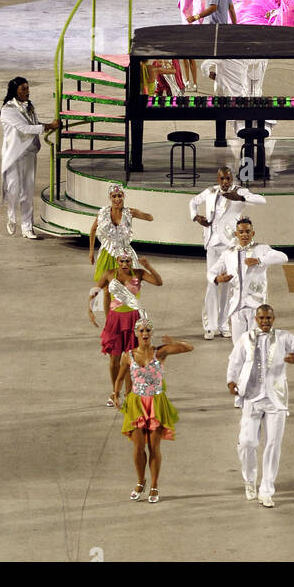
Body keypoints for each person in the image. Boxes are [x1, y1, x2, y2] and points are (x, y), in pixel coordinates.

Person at [226, 304, 294, 508]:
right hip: (251, 397)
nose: (265, 322)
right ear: (256, 319)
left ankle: (266, 490)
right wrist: (231, 382)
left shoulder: (284, 338)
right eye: (261, 318)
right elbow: (234, 362)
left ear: (273, 319)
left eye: (269, 318)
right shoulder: (245, 339)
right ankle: (249, 480)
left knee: (273, 445)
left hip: (276, 399)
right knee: (247, 442)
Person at [114, 320, 193, 504]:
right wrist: (115, 394)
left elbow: (189, 347)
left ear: (152, 333)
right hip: (136, 404)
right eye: (141, 330)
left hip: (156, 404)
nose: (145, 333)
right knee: (138, 447)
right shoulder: (129, 356)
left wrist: (174, 341)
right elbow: (119, 378)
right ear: (136, 333)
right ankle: (141, 481)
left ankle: (155, 485)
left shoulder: (161, 351)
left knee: (154, 447)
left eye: (148, 330)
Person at [190, 166, 267, 339]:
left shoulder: (240, 191)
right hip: (212, 244)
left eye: (228, 179)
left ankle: (224, 324)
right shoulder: (210, 191)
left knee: (228, 286)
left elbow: (262, 200)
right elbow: (193, 202)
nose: (225, 182)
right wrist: (196, 217)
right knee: (212, 283)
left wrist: (240, 197)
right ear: (218, 180)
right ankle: (210, 326)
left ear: (232, 179)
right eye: (222, 179)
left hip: (230, 246)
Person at [93, 253, 163, 408]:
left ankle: (129, 393)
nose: (125, 263)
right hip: (115, 320)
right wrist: (91, 310)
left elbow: (159, 282)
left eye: (128, 261)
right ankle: (115, 392)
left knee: (131, 359)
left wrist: (148, 266)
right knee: (114, 361)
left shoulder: (139, 273)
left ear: (132, 261)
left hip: (133, 320)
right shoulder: (109, 274)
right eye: (122, 261)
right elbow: (96, 291)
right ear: (117, 261)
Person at [210, 217, 288, 345]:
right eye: (241, 232)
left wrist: (259, 260)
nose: (245, 235)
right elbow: (212, 272)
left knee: (255, 345)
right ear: (236, 234)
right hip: (236, 306)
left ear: (253, 233)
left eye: (248, 231)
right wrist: (216, 278)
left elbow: (283, 257)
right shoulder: (228, 253)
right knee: (238, 346)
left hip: (256, 306)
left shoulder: (262, 249)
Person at [0, 76, 60, 240]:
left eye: (27, 88)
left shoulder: (29, 106)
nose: (27, 91)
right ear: (15, 91)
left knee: (27, 191)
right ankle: (11, 217)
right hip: (14, 155)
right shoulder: (7, 110)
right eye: (23, 89)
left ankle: (27, 227)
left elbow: (33, 123)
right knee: (13, 190)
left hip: (29, 154)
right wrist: (49, 126)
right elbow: (25, 128)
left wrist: (45, 125)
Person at [88, 185, 154, 293]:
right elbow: (93, 230)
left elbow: (150, 218)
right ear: (110, 197)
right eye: (114, 196)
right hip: (107, 253)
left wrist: (140, 213)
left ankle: (126, 309)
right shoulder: (103, 213)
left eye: (119, 195)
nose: (117, 199)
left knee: (126, 288)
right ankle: (109, 310)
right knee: (106, 289)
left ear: (123, 196)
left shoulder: (129, 213)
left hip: (124, 255)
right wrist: (91, 252)